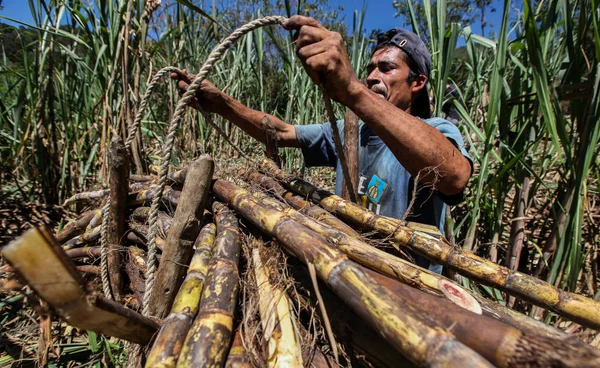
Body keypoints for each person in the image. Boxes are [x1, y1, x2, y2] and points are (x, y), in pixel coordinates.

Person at [173, 16, 472, 272]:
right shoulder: (350, 131)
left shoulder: (436, 131)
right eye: (368, 69)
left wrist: (352, 90)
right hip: (349, 271)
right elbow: (279, 132)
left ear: (417, 83)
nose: (371, 77)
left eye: (386, 68)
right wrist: (221, 104)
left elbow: (453, 177)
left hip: (411, 288)